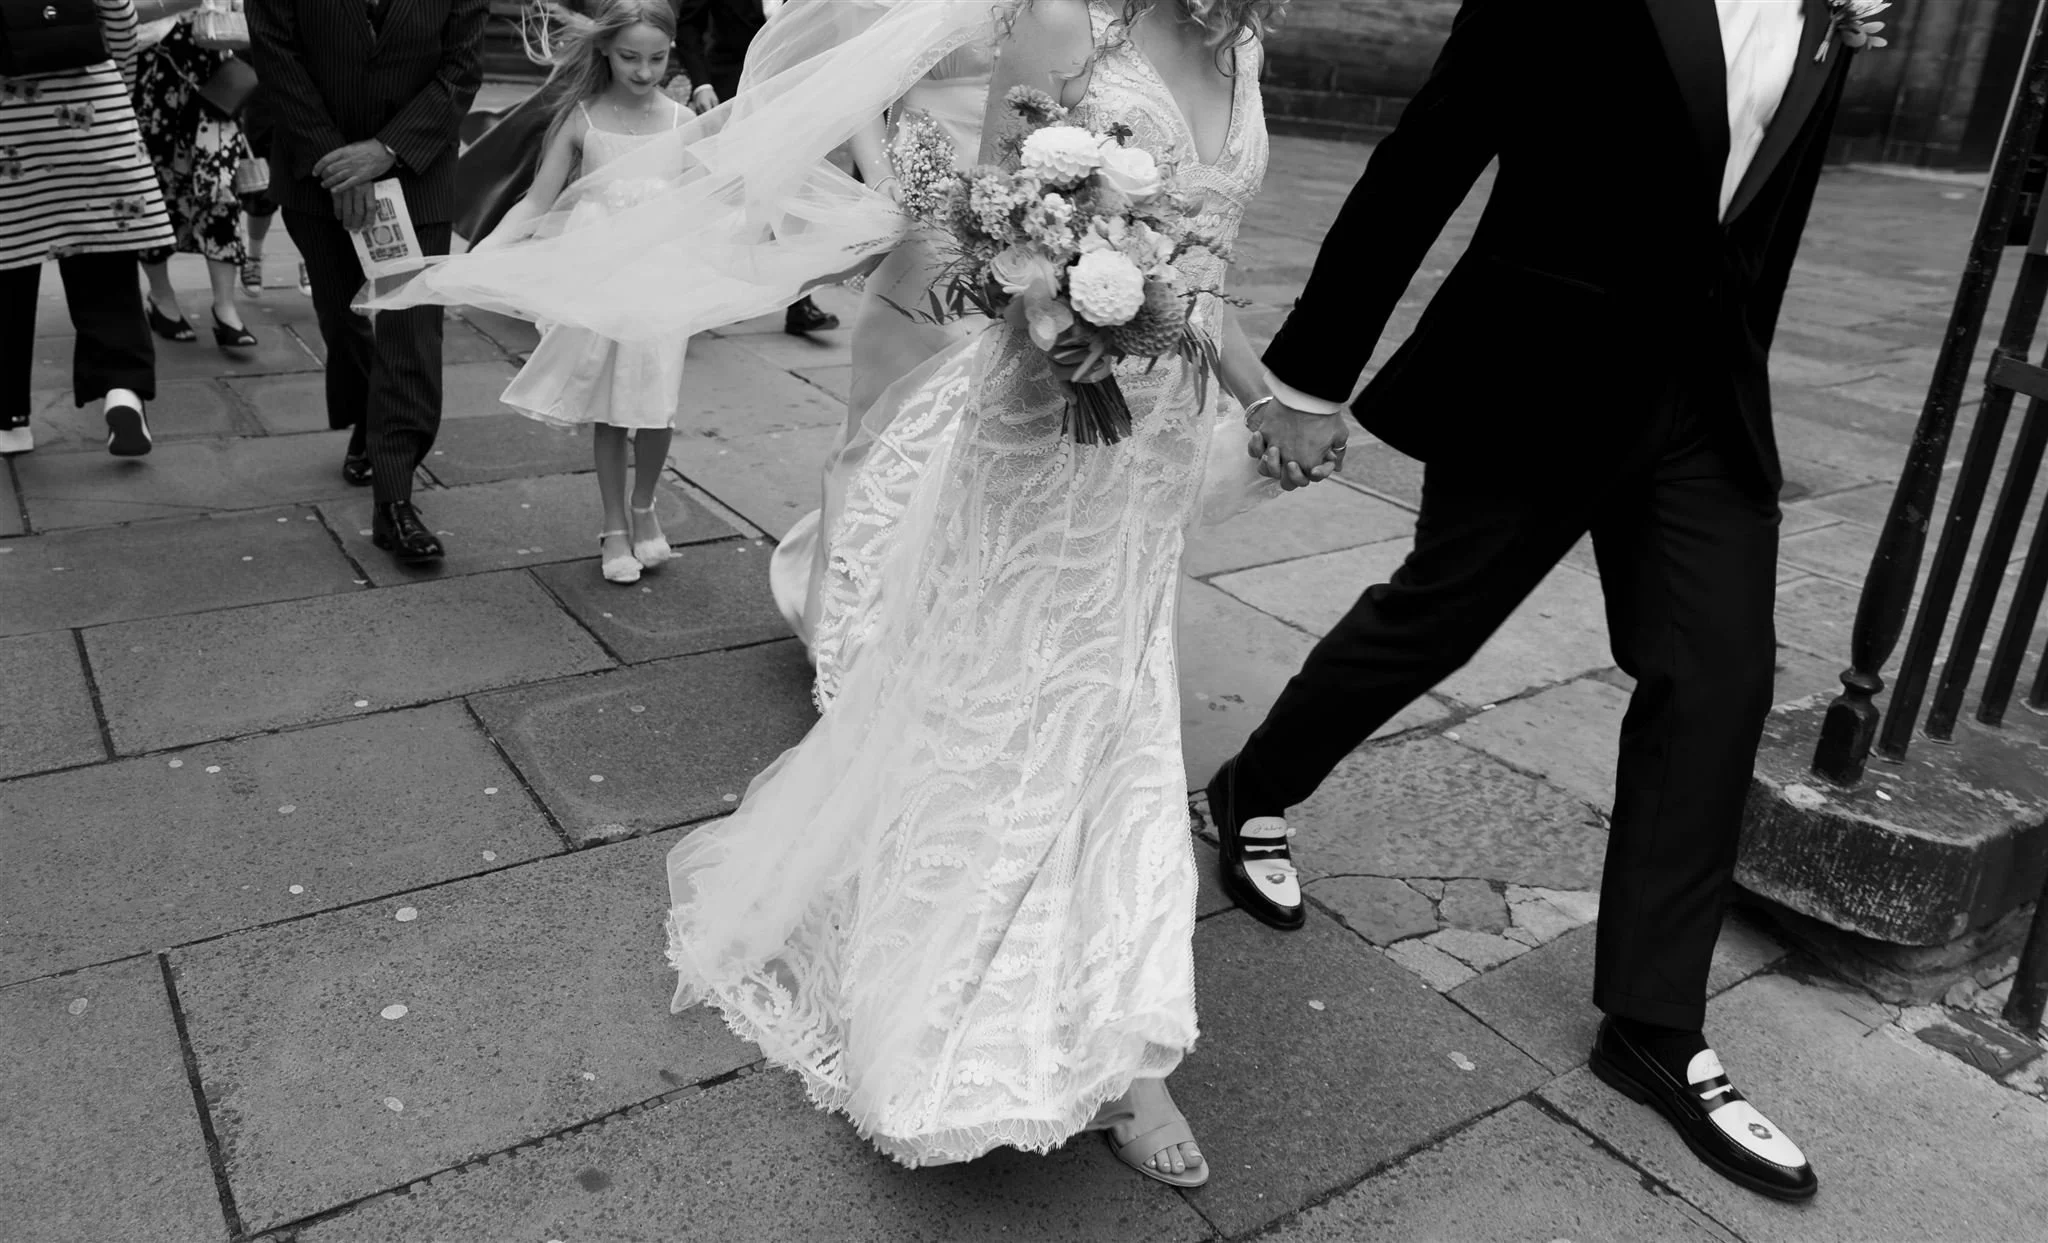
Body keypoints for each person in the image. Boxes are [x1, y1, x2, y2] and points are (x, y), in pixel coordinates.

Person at [1213, 0, 1858, 1204]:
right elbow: (1427, 154)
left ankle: (1650, 1026)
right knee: (1438, 613)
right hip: (1539, 361)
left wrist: (1737, 389)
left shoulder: (1836, 12)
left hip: (1701, 406)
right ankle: (1253, 786)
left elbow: (1759, 216)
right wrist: (1308, 375)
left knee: (1718, 677)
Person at [767, 41, 993, 663]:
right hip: (926, 194)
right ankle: (836, 624)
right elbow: (862, 79)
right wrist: (887, 183)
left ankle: (931, 628)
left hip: (1021, 206)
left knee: (973, 430)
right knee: (885, 419)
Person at [247, 0, 488, 562]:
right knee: (342, 319)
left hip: (416, 174)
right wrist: (337, 160)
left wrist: (385, 151)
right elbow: (277, 59)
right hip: (315, 172)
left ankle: (395, 501)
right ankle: (367, 416)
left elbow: (462, 67)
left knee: (410, 330)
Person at [476, 0, 686, 585]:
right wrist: (487, 251)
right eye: (630, 58)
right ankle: (616, 523)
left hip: (662, 277)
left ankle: (645, 504)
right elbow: (537, 201)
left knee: (658, 403)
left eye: (657, 58)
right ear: (604, 51)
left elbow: (708, 197)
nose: (644, 72)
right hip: (599, 280)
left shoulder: (682, 120)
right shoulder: (582, 118)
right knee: (613, 408)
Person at [0, 0, 178, 458]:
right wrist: (112, 86)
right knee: (107, 268)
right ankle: (123, 391)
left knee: (8, 273)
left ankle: (10, 423)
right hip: (90, 121)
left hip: (9, 137)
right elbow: (119, 16)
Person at [671, 0, 839, 337]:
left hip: (795, 94)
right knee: (730, 198)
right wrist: (702, 84)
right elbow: (689, 25)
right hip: (731, 91)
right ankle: (709, 287)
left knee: (793, 193)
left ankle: (797, 301)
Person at [132, 10, 260, 351]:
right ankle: (161, 298)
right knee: (152, 193)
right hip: (151, 77)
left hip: (214, 76)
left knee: (220, 191)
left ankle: (225, 308)